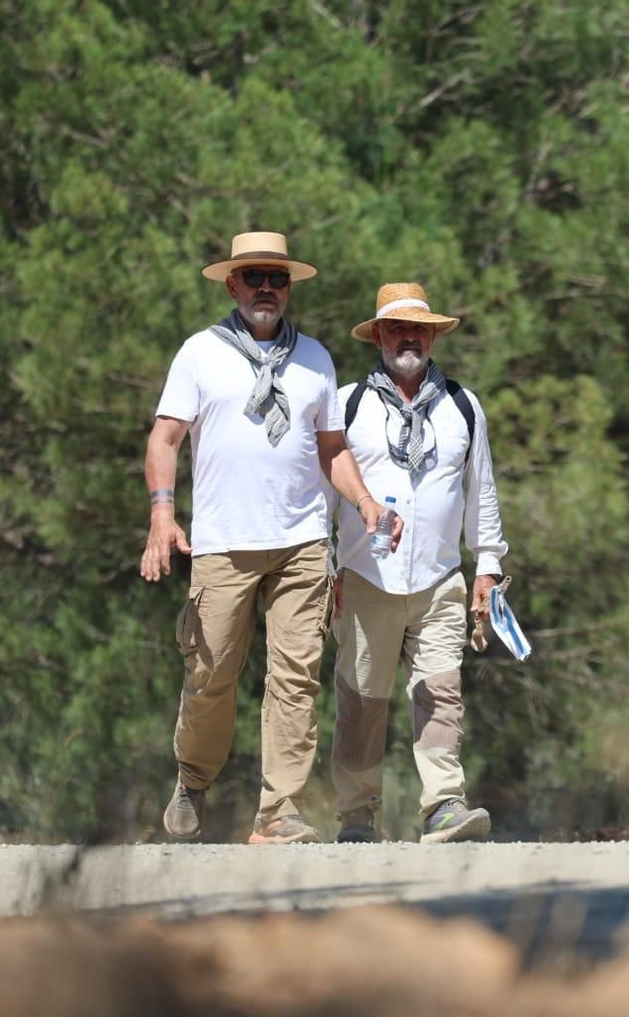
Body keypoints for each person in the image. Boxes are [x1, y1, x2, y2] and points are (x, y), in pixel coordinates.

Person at [140, 231, 396, 845]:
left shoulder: (316, 358)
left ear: (288, 288)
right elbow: (165, 439)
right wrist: (161, 515)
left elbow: (331, 448)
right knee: (210, 674)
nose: (265, 289)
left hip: (302, 542)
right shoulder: (200, 353)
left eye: (276, 279)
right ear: (232, 284)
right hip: (224, 542)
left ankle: (277, 812)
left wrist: (360, 500)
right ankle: (193, 779)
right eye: (253, 277)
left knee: (296, 680)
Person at [329, 282, 509, 844]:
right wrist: (323, 566)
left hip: (439, 578)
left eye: (419, 328)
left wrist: (489, 567)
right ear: (378, 335)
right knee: (361, 703)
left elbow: (481, 491)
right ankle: (357, 816)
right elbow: (321, 491)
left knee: (441, 691)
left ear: (432, 337)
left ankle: (443, 806)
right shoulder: (346, 404)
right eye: (398, 327)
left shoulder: (463, 406)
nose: (409, 337)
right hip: (363, 577)